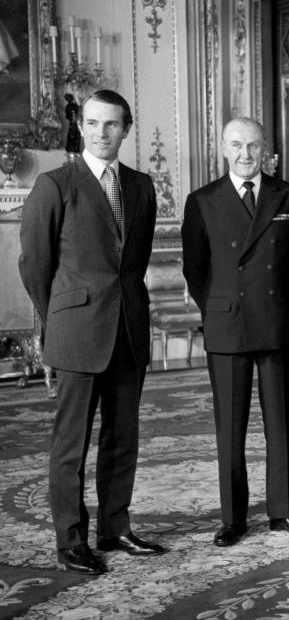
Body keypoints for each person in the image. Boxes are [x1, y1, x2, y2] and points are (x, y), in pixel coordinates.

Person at [19, 89, 163, 575]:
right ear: (81, 126)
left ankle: (115, 527)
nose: (103, 133)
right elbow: (35, 265)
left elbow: (134, 261)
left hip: (128, 328)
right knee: (71, 444)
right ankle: (71, 539)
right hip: (77, 331)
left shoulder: (142, 186)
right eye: (94, 123)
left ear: (126, 128)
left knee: (123, 437)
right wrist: (58, 316)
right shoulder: (54, 185)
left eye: (113, 124)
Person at [182, 117, 289, 547]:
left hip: (275, 320)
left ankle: (283, 512)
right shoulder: (202, 200)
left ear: (266, 151)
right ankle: (233, 519)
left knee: (278, 424)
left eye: (254, 146)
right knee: (231, 426)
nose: (246, 155)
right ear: (223, 148)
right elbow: (196, 268)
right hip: (227, 324)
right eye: (237, 146)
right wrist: (218, 309)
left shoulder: (288, 195)